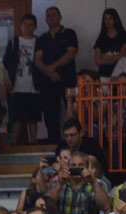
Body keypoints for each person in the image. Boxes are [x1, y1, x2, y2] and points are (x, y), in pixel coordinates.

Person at [34, 7, 78, 144]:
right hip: (48, 82)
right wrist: (50, 72)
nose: (51, 17)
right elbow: (37, 60)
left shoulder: (69, 33)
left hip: (68, 79)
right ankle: (54, 143)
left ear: (60, 16)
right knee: (50, 113)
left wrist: (52, 67)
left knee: (73, 110)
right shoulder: (42, 38)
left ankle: (74, 141)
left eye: (54, 14)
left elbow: (70, 54)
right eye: (48, 15)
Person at [2, 14, 40, 144]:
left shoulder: (39, 42)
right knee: (16, 118)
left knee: (33, 118)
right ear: (21, 26)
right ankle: (13, 144)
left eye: (31, 24)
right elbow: (6, 64)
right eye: (25, 24)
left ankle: (33, 143)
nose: (28, 27)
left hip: (34, 86)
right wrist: (7, 83)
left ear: (35, 27)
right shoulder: (13, 42)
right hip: (16, 86)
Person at [45, 151, 111, 214]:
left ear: (87, 167)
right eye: (73, 165)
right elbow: (46, 205)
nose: (77, 168)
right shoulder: (58, 183)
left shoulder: (98, 184)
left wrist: (94, 181)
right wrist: (60, 184)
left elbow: (106, 206)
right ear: (68, 167)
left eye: (80, 165)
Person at [94, 8, 126, 79]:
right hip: (103, 75)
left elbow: (124, 57)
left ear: (115, 19)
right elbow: (98, 61)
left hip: (120, 76)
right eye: (105, 19)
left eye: (110, 18)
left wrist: (106, 57)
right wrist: (117, 59)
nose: (108, 21)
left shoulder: (123, 36)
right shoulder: (101, 38)